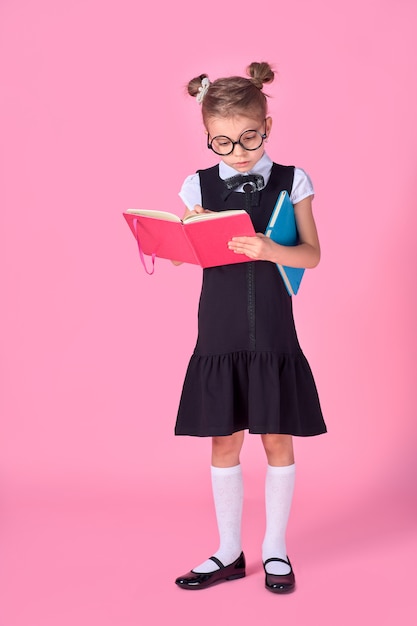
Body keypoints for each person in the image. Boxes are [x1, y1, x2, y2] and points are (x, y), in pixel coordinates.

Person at [173, 62, 327, 593]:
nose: (236, 151)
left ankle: (275, 550)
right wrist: (177, 244)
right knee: (223, 441)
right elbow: (192, 255)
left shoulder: (293, 180)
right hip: (219, 332)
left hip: (275, 335)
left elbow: (311, 255)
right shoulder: (196, 186)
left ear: (267, 126)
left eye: (248, 137)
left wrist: (270, 249)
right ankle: (228, 551)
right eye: (221, 142)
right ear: (206, 138)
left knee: (277, 437)